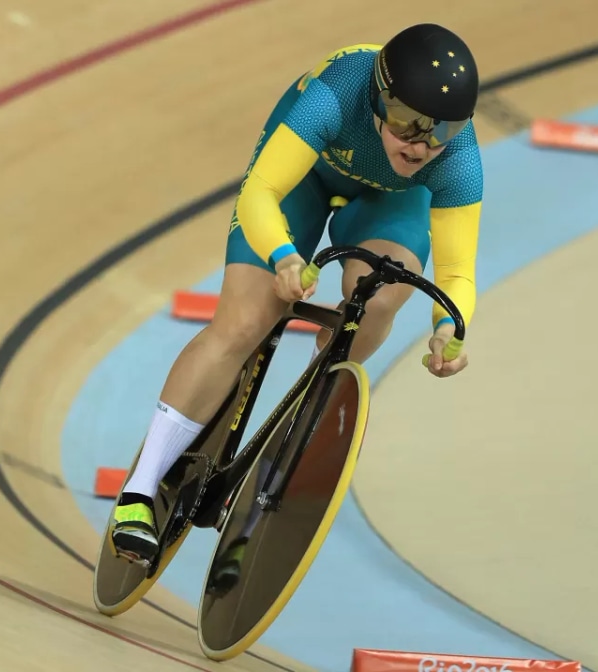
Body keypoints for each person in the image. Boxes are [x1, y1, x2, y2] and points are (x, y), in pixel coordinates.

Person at [109, 23, 484, 564]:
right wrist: (284, 257)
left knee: (380, 296)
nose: (421, 144)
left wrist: (450, 327)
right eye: (406, 124)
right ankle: (139, 492)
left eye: (441, 131)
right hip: (302, 178)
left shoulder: (458, 159)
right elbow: (262, 191)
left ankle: (295, 433)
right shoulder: (338, 92)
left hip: (384, 204)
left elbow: (457, 276)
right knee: (242, 323)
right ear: (379, 100)